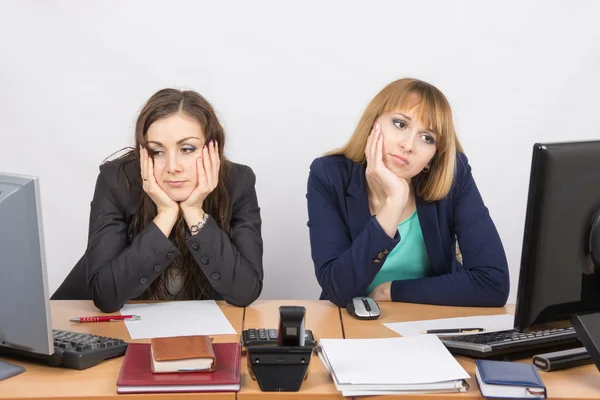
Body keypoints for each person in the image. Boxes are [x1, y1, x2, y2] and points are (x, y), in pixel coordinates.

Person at [306, 78, 509, 308]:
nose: (408, 145)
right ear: (373, 122)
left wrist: (392, 291)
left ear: (433, 156)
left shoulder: (454, 174)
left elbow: (494, 284)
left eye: (427, 138)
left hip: (427, 321)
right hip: (351, 326)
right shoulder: (329, 174)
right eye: (400, 124)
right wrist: (394, 202)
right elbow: (338, 289)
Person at [74, 89, 262, 312]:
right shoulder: (117, 182)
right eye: (157, 151)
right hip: (116, 331)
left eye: (187, 149)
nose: (172, 167)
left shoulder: (238, 182)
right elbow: (106, 296)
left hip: (198, 334)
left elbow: (244, 292)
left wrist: (194, 211)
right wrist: (165, 215)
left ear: (213, 148)